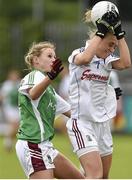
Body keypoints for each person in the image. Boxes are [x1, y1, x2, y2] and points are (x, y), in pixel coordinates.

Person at [66, 9, 131, 179]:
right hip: (82, 123)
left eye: (114, 47)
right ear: (99, 37)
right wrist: (101, 31)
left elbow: (126, 63)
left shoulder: (107, 61)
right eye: (110, 44)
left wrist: (120, 34)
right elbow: (86, 59)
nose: (112, 50)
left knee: (102, 177)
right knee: (95, 175)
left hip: (102, 126)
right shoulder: (78, 53)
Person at [15, 41, 85, 179]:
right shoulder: (34, 76)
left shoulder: (50, 91)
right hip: (32, 145)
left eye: (54, 56)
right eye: (49, 56)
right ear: (36, 60)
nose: (54, 59)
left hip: (45, 146)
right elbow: (33, 93)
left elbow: (74, 113)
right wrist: (51, 77)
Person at [0, 69, 21, 151]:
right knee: (14, 125)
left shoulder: (20, 83)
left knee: (16, 127)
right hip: (9, 108)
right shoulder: (6, 85)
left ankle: (9, 142)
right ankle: (8, 143)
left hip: (18, 108)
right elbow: (1, 97)